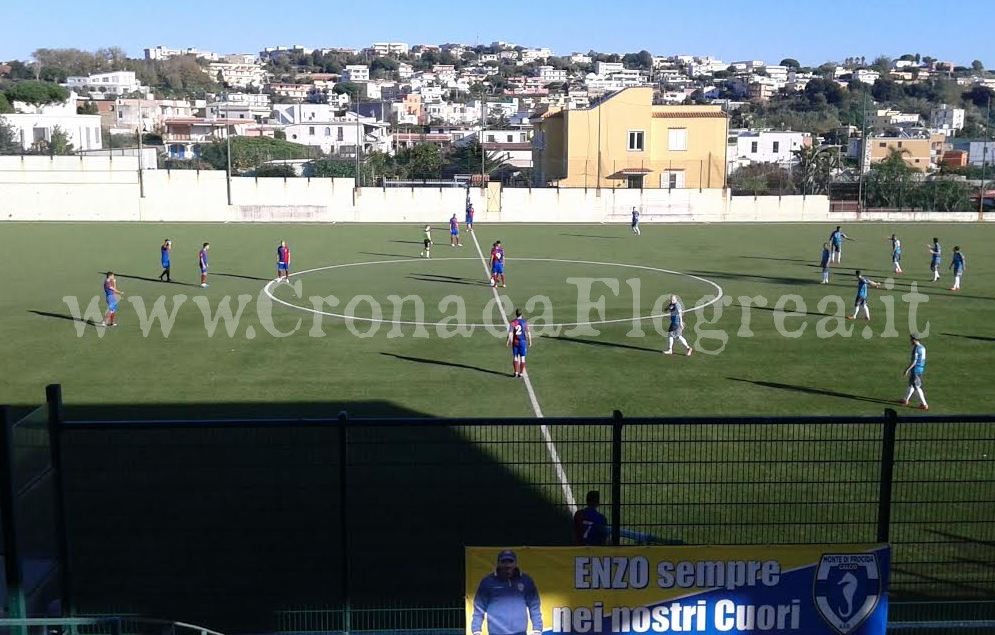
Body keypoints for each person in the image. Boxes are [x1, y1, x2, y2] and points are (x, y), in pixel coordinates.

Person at [470, 550, 543, 635]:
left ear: (515, 563)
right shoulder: (487, 582)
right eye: (503, 561)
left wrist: (537, 629)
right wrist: (476, 631)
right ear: (498, 563)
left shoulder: (526, 580)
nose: (507, 565)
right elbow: (479, 608)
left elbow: (534, 606)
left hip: (520, 633)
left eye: (510, 561)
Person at [902, 334, 929, 410]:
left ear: (914, 340)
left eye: (911, 339)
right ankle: (905, 400)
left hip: (916, 369)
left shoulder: (916, 348)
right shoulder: (923, 347)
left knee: (916, 386)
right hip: (921, 368)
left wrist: (907, 369)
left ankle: (924, 404)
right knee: (911, 384)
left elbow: (914, 361)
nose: (910, 341)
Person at [507, 308, 532, 378]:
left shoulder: (513, 322)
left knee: (515, 357)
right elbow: (528, 333)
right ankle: (521, 373)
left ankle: (515, 372)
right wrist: (530, 341)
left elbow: (510, 333)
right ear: (521, 314)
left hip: (515, 342)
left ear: (516, 314)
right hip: (523, 342)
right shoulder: (525, 322)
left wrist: (508, 341)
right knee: (522, 357)